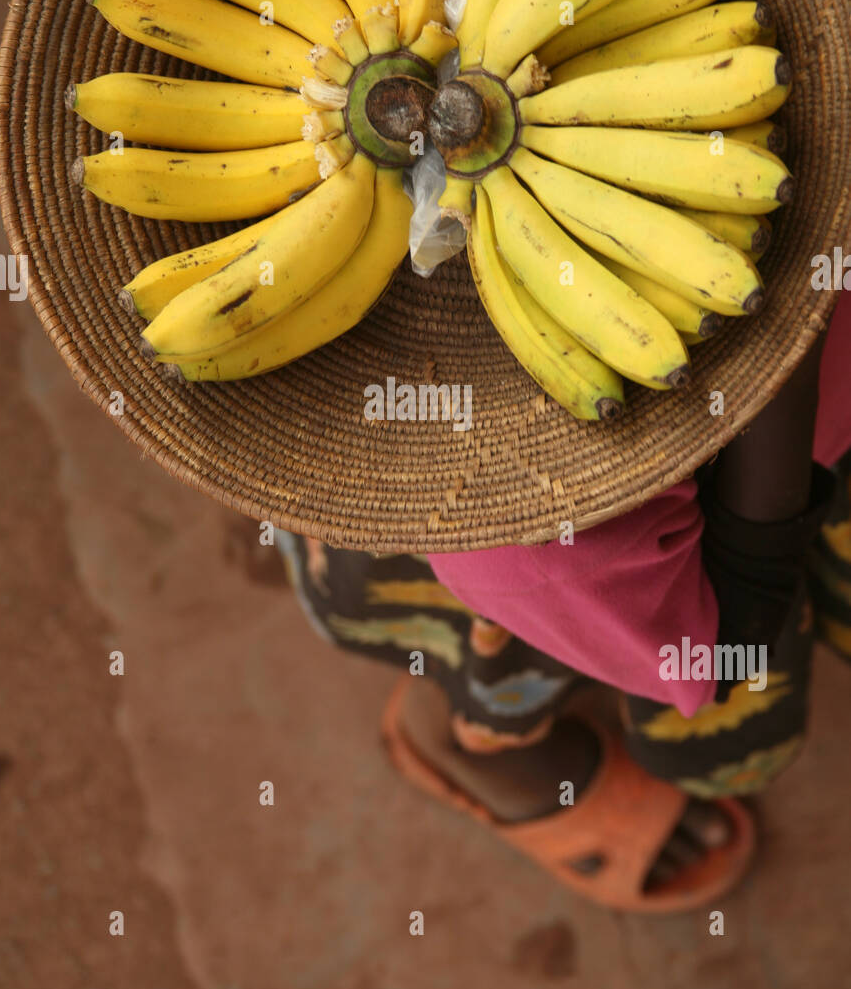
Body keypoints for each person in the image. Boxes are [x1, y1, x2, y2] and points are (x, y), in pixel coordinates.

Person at [276, 289, 851, 912]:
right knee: (719, 736)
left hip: (756, 452)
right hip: (612, 547)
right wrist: (791, 324)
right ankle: (462, 726)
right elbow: (717, 648)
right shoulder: (536, 517)